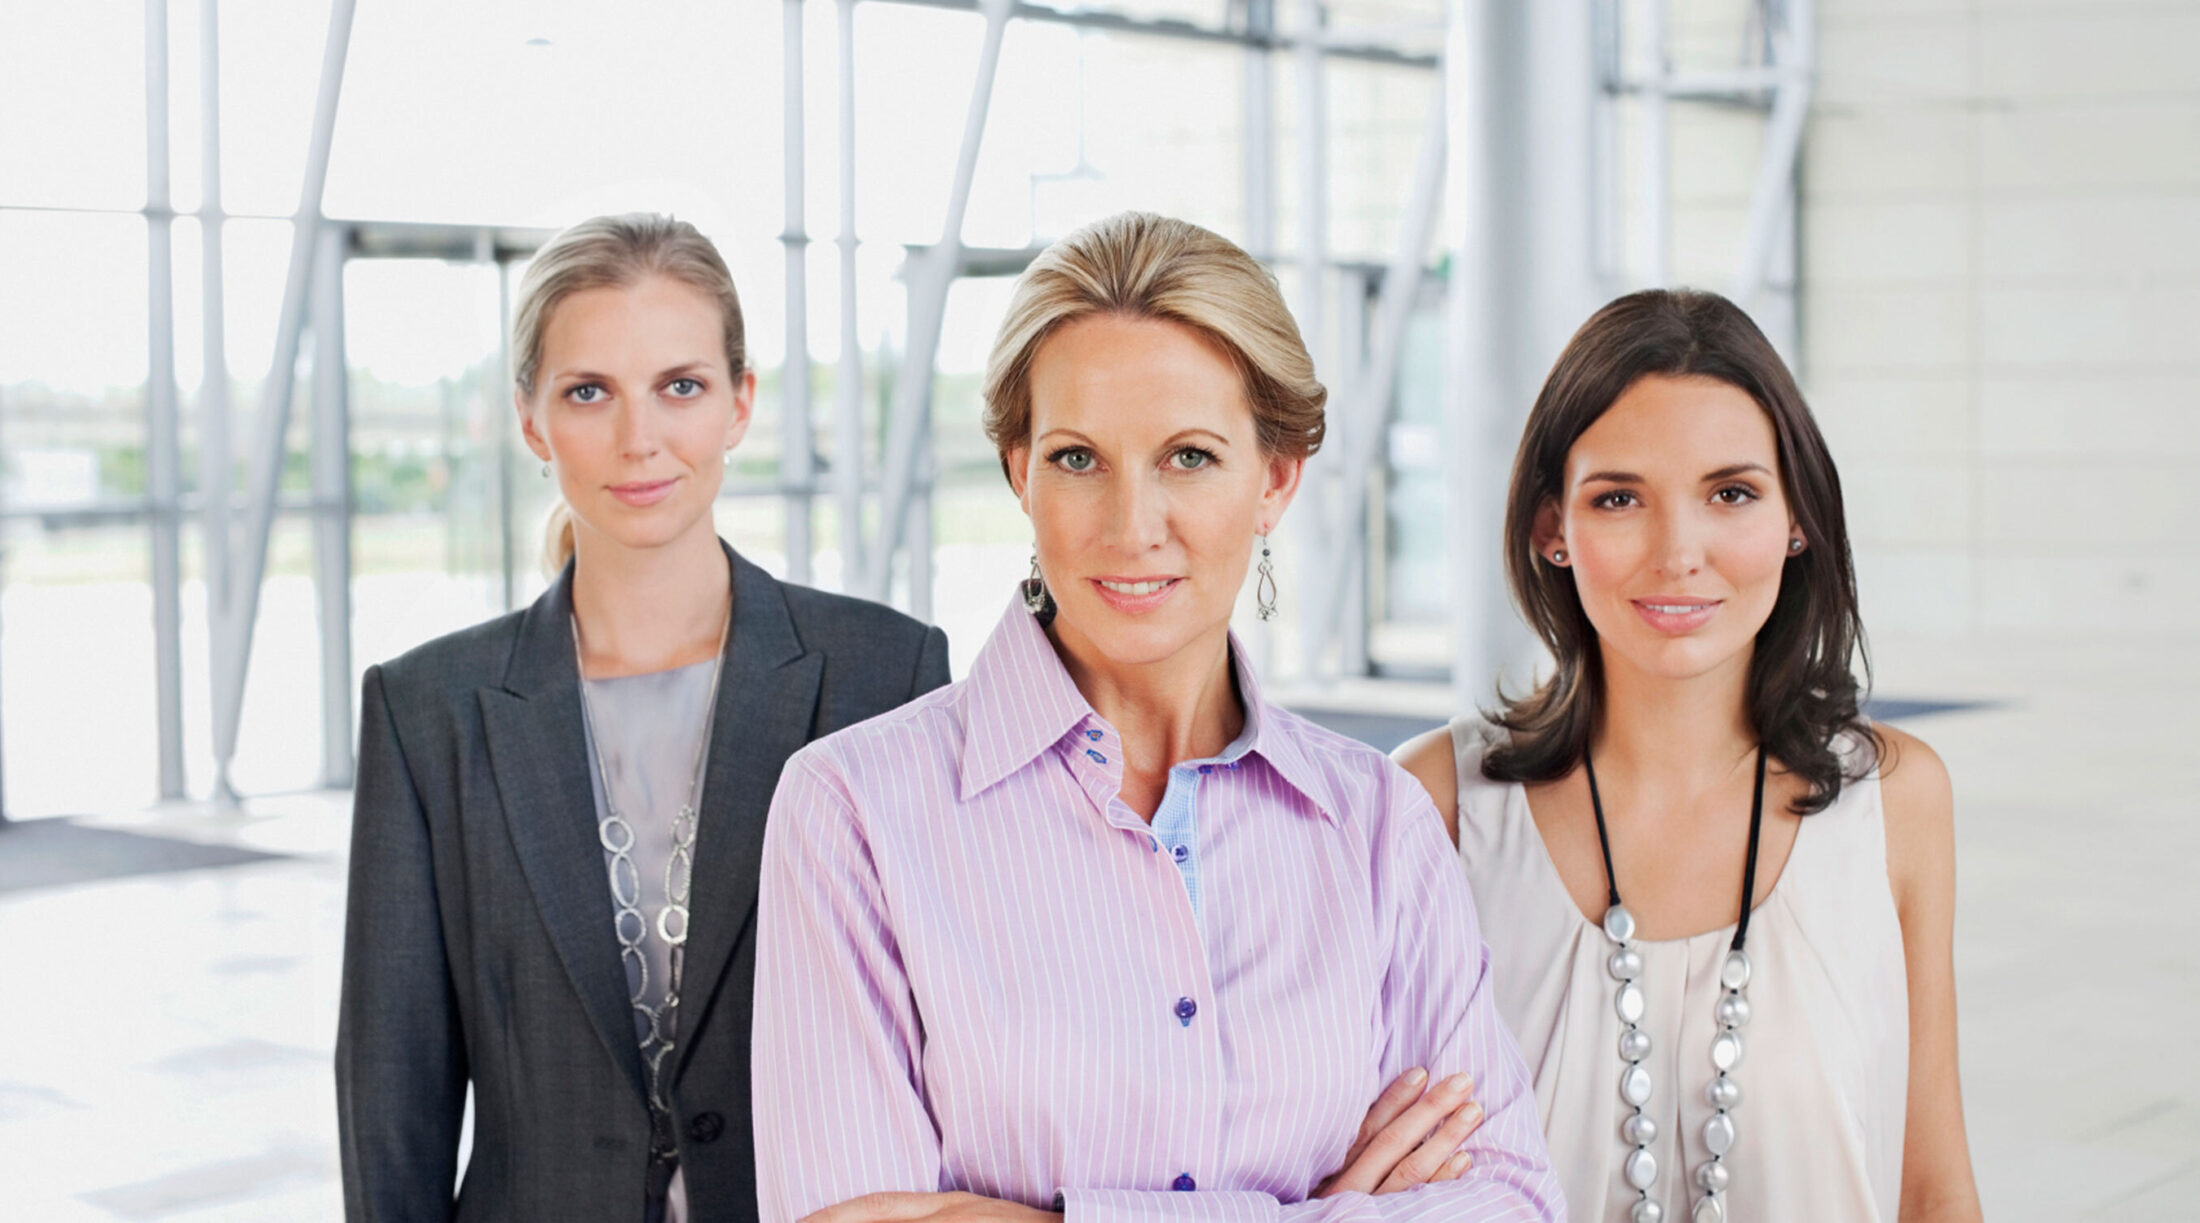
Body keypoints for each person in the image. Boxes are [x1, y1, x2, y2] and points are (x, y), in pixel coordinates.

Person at [751, 212, 1562, 1223]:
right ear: (1018, 472)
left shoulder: (1379, 827)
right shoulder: (853, 811)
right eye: (1078, 458)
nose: (1131, 525)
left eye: (1187, 456)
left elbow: (1512, 1206)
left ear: (1274, 479)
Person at [335, 213, 950, 1223]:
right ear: (532, 421)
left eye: (680, 385)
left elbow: (951, 1041)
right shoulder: (426, 711)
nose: (639, 438)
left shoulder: (884, 673)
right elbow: (391, 1094)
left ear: (740, 402)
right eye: (589, 392)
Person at [1393, 289, 1982, 1223]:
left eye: (1731, 493)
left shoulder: (1897, 800)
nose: (1678, 553)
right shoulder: (1432, 803)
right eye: (1619, 497)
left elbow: (1932, 1187)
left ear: (1798, 519)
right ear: (1553, 528)